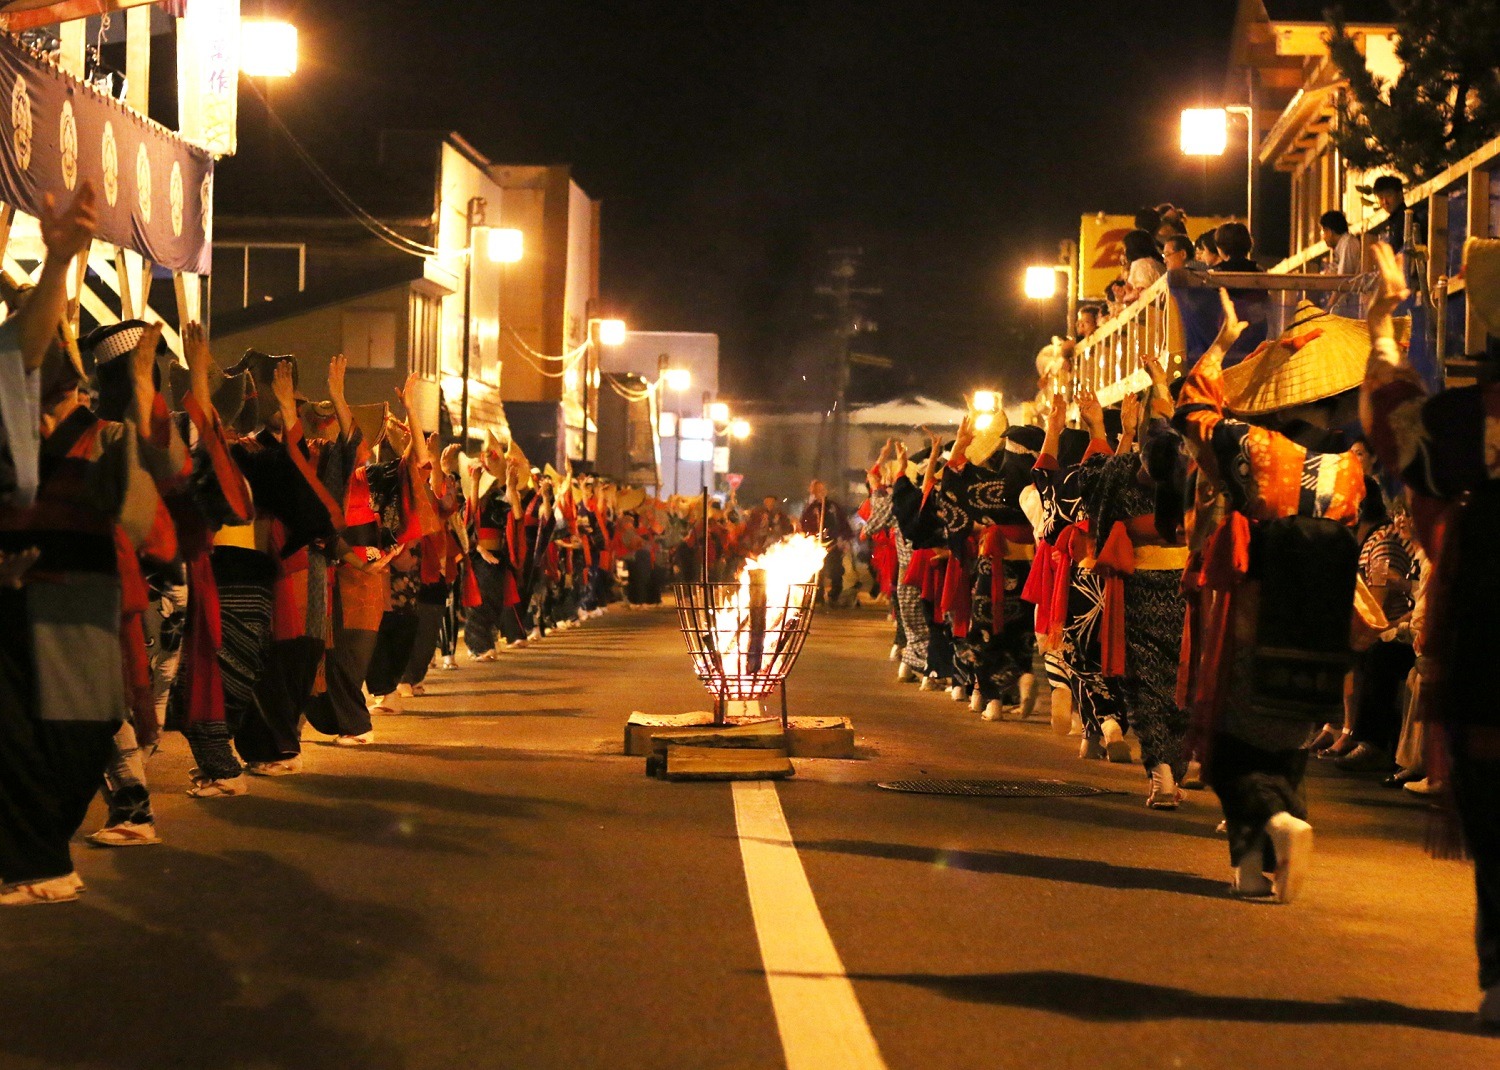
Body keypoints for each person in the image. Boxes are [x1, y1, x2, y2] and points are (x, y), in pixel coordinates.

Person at [1175, 288, 1366, 903]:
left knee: (1234, 744)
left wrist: (1226, 345)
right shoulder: (1352, 469)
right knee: (1290, 738)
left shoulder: (1254, 449)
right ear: (1335, 405)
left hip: (1256, 612)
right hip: (1324, 623)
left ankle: (1276, 828)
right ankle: (1258, 871)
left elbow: (1193, 411)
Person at [1361, 238, 1500, 1026]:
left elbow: (1390, 415)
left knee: (1494, 809)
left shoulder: (1453, 420)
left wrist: (1385, 323)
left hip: (1483, 622)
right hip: (1479, 619)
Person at [800, 479, 851, 605]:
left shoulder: (833, 507)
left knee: (835, 570)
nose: (820, 492)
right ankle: (817, 596)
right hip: (816, 544)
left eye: (822, 490)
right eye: (817, 490)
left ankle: (834, 594)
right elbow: (804, 524)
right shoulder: (810, 508)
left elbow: (843, 523)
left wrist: (843, 538)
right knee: (817, 571)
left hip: (833, 543)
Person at [1321, 210, 1363, 317]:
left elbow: (1343, 281)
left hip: (1352, 309)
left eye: (1323, 232)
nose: (1323, 237)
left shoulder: (1348, 244)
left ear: (1329, 231)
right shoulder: (1341, 247)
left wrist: (1329, 307)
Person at [1120, 229, 1165, 303]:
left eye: (1125, 248)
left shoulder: (1141, 263)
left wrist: (1127, 297)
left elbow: (1140, 292)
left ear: (1132, 248)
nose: (1124, 253)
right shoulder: (1157, 263)